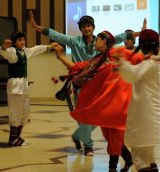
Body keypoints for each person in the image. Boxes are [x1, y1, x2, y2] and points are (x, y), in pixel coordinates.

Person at [29, 11, 140, 156]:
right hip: (81, 85)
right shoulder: (75, 42)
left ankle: (78, 134)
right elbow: (56, 35)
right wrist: (36, 26)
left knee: (100, 114)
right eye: (83, 27)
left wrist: (142, 33)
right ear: (80, 29)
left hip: (100, 85)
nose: (86, 29)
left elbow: (121, 36)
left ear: (93, 27)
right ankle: (88, 145)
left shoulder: (101, 41)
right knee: (84, 114)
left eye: (89, 26)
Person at [52, 30, 146, 172]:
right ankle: (128, 158)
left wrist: (151, 58)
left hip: (119, 102)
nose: (95, 42)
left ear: (104, 41)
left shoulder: (118, 51)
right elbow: (77, 67)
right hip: (105, 103)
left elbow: (137, 58)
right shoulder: (97, 59)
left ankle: (112, 167)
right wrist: (60, 57)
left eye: (98, 40)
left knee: (114, 134)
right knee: (108, 134)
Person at [0, 31, 57, 146]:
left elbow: (35, 49)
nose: (23, 42)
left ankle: (18, 137)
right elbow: (3, 51)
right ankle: (12, 139)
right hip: (15, 85)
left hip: (24, 85)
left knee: (25, 112)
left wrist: (49, 46)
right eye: (20, 40)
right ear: (15, 42)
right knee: (15, 112)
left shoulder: (25, 51)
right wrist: (4, 47)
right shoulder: (12, 52)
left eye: (24, 40)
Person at [114, 29, 160, 172]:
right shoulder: (155, 62)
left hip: (144, 115)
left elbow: (133, 75)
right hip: (154, 116)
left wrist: (120, 62)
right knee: (149, 154)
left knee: (140, 155)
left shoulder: (150, 64)